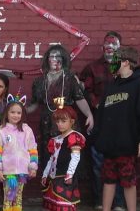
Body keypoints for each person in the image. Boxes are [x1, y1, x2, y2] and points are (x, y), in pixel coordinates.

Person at [91, 47, 140, 211]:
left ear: (126, 62)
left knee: (129, 181)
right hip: (110, 145)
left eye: (116, 60)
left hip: (128, 144)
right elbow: (102, 114)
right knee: (108, 180)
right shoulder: (111, 87)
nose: (113, 64)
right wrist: (99, 137)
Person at [28, 44, 93, 176]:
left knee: (68, 159)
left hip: (66, 121)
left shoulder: (69, 78)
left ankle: (68, 193)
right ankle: (51, 194)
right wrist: (18, 110)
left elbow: (79, 98)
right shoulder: (39, 81)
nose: (54, 59)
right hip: (47, 125)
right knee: (49, 159)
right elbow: (34, 104)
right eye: (51, 56)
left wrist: (89, 115)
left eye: (57, 56)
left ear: (63, 59)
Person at [80, 31, 125, 211]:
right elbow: (83, 90)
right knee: (98, 161)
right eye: (107, 44)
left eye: (114, 44)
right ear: (102, 47)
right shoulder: (92, 68)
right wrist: (95, 103)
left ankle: (119, 202)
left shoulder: (126, 67)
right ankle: (99, 200)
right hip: (99, 120)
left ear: (119, 47)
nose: (110, 47)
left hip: (121, 121)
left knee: (121, 161)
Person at [0, 98, 38, 211]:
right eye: (12, 112)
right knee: (8, 198)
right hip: (8, 172)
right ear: (7, 113)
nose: (16, 115)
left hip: (22, 172)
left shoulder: (27, 130)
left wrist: (33, 166)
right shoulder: (1, 131)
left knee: (18, 198)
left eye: (19, 113)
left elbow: (33, 149)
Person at [39, 106, 85, 211]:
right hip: (55, 173)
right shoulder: (56, 139)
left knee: (64, 199)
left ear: (72, 121)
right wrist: (45, 174)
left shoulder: (74, 137)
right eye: (58, 121)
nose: (60, 124)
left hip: (65, 174)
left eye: (63, 121)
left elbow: (76, 157)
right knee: (53, 197)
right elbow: (52, 158)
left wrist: (69, 174)